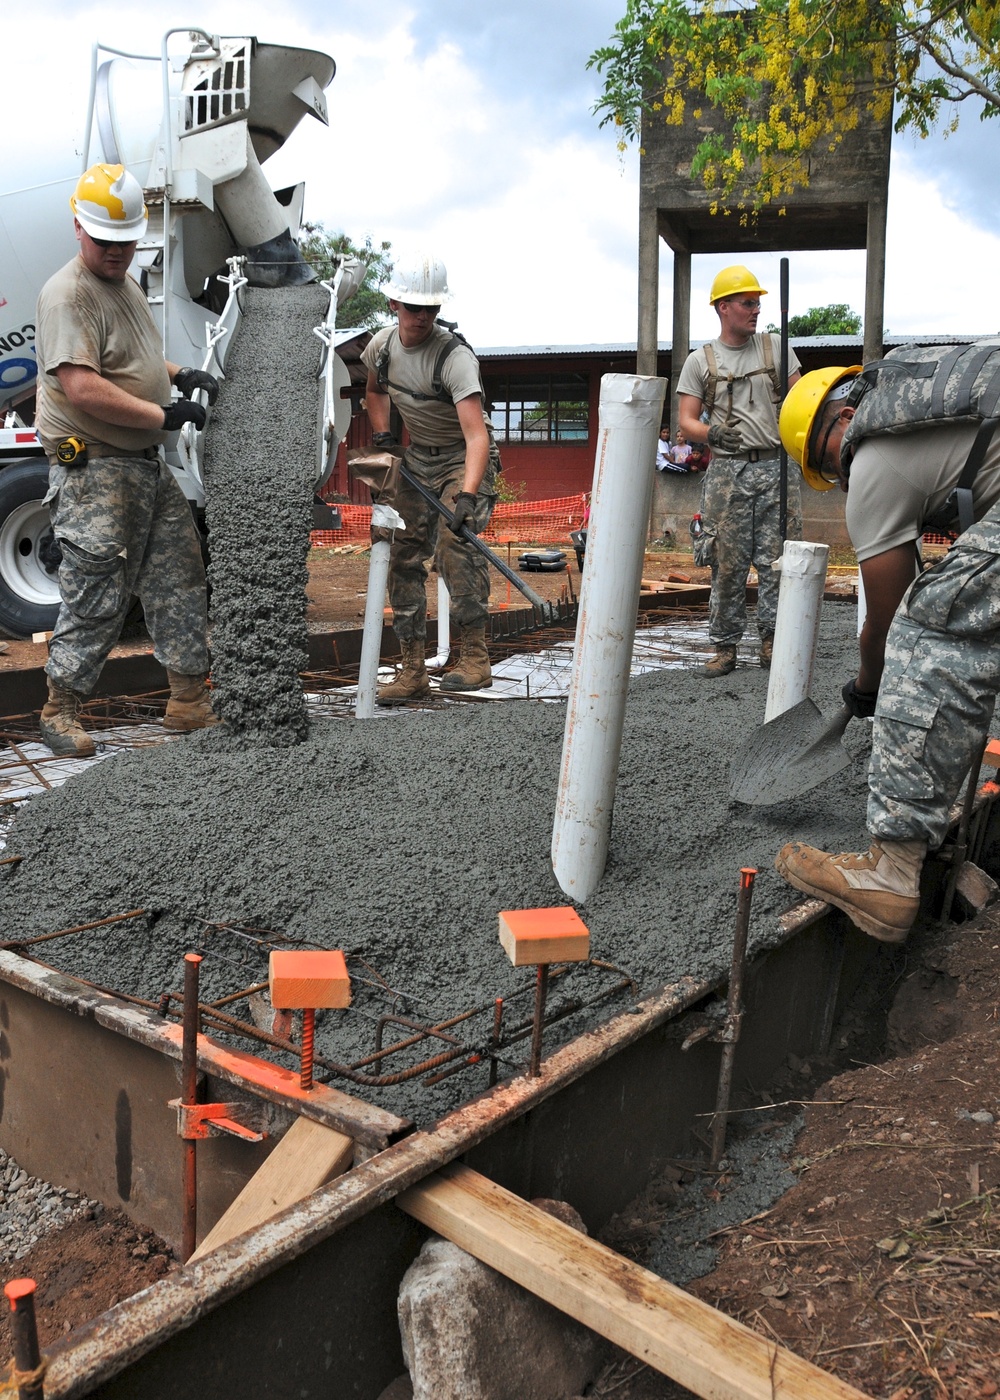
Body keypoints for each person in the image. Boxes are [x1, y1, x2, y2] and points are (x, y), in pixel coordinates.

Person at [34, 163, 219, 758]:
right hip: (95, 469)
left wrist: (176, 376)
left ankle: (189, 701)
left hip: (142, 465)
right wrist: (163, 417)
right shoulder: (68, 294)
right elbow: (83, 387)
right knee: (95, 591)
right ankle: (59, 710)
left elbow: (132, 361)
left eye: (126, 241)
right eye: (106, 241)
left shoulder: (124, 283)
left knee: (179, 575)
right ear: (79, 229)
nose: (118, 252)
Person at [775, 498, 1000, 943]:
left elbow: (885, 613)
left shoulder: (877, 467)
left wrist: (869, 680)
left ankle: (892, 869)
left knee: (933, 621)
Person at [778, 360, 1000, 722]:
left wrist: (866, 686)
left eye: (828, 464)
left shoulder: (872, 460)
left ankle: (913, 770)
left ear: (848, 417)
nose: (843, 481)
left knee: (937, 634)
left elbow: (888, 622)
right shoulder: (930, 409)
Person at [361, 253, 499, 702]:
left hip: (463, 457)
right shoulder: (382, 347)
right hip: (417, 456)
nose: (421, 317)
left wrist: (466, 496)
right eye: (412, 308)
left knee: (455, 546)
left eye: (430, 309)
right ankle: (413, 668)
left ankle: (476, 658)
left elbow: (476, 437)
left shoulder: (454, 358)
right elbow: (374, 389)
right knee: (400, 551)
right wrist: (383, 433)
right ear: (393, 303)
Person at [676, 265, 802, 675]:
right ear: (723, 307)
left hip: (776, 469)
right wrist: (712, 435)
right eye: (748, 303)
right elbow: (686, 421)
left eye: (758, 302)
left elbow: (802, 402)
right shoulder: (701, 361)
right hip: (727, 476)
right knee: (726, 562)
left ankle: (771, 642)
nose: (756, 310)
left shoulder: (776, 350)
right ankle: (726, 647)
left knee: (777, 561)